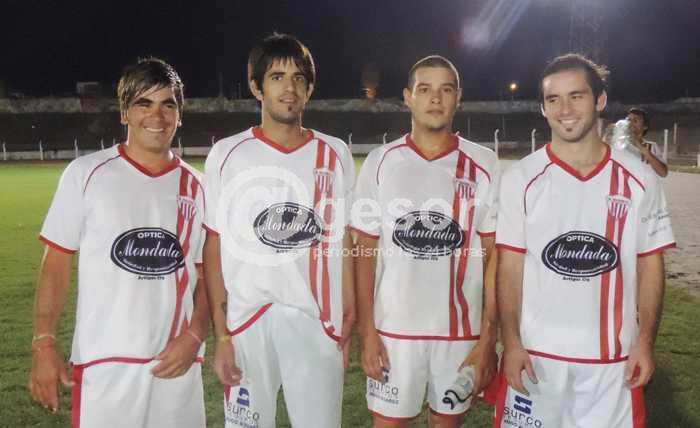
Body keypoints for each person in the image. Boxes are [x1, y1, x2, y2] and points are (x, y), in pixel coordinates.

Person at [494, 53, 675, 427]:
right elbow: (509, 269)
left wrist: (645, 342)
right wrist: (510, 343)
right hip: (536, 358)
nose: (565, 110)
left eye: (576, 96)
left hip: (612, 365)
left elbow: (650, 266)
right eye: (553, 99)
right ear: (543, 108)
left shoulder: (640, 180)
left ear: (600, 100)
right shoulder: (520, 179)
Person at [28, 57, 209, 427]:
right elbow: (56, 263)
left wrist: (194, 335)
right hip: (104, 365)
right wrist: (44, 344)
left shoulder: (200, 187)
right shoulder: (86, 174)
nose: (157, 116)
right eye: (144, 103)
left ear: (179, 115)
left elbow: (210, 275)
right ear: (124, 113)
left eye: (168, 104)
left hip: (176, 364)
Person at [203, 33, 355, 428]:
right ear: (256, 87)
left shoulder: (335, 153)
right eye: (276, 77)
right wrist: (222, 336)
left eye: (299, 78)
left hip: (315, 320)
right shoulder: (226, 154)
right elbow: (214, 246)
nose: (290, 88)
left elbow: (345, 239)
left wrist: (348, 312)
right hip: (247, 323)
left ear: (309, 89)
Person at [352, 55, 499, 427]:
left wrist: (488, 339)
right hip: (393, 332)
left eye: (446, 89)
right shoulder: (380, 162)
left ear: (458, 97)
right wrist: (367, 332)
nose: (435, 98)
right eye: (425, 89)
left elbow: (496, 259)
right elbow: (363, 255)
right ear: (408, 97)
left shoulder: (484, 164)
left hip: (460, 334)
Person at [626, 107, 668, 177]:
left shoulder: (652, 146)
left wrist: (640, 147)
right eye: (628, 120)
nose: (630, 123)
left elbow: (663, 173)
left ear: (645, 126)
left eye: (635, 120)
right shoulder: (620, 145)